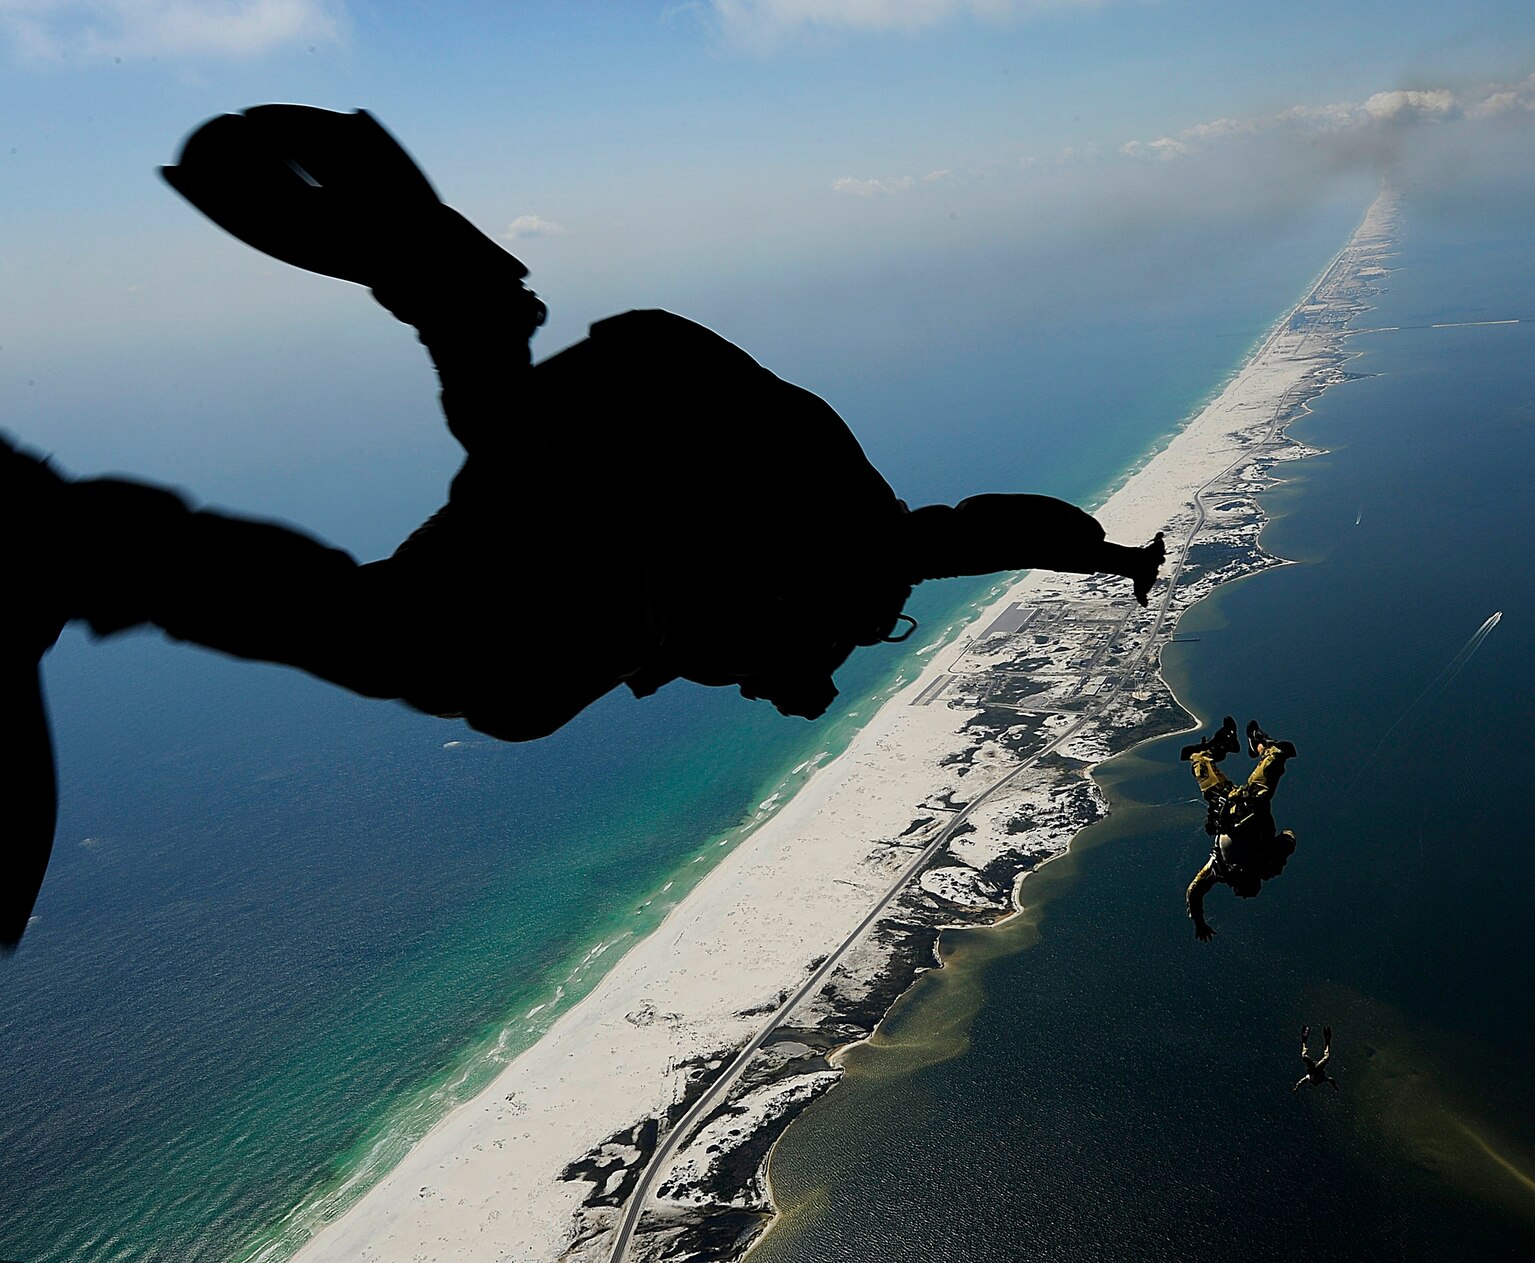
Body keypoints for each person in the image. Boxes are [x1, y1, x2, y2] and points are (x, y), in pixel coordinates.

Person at [1, 104, 1166, 948]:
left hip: (635, 465)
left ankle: (433, 316)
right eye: (782, 688)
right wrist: (1095, 549)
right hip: (653, 433)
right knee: (497, 654)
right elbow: (970, 532)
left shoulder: (805, 586)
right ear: (802, 645)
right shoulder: (841, 569)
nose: (765, 697)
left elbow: (971, 529)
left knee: (496, 671)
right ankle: (98, 539)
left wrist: (1097, 551)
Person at [1180, 715, 1297, 942]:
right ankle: (1257, 743)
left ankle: (1224, 745)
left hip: (1230, 805)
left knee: (1199, 759)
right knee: (1276, 755)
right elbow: (1289, 838)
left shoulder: (1222, 869)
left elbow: (1194, 892)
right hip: (1247, 804)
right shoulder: (1261, 864)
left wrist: (1199, 922)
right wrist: (1279, 851)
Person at [1293, 1024, 1336, 1092]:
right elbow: (1331, 1080)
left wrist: (1296, 1088)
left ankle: (1304, 1041)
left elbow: (1300, 1082)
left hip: (1312, 1067)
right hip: (1319, 1068)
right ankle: (1327, 1042)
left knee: (1304, 1056)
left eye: (1314, 1078)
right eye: (1316, 1078)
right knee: (1327, 1057)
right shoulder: (1322, 1078)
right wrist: (1335, 1087)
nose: (1315, 1077)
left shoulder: (1308, 1078)